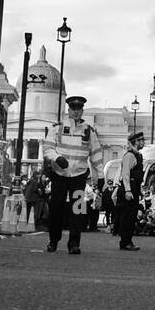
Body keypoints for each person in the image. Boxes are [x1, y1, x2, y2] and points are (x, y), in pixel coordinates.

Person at [40, 96, 104, 255]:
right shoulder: (57, 128)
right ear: (68, 110)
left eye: (78, 109)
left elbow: (95, 154)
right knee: (56, 209)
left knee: (78, 210)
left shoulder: (89, 131)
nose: (75, 112)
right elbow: (47, 148)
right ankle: (53, 241)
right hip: (60, 176)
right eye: (73, 109)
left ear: (82, 111)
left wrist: (101, 174)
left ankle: (74, 244)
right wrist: (57, 158)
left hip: (78, 176)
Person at [116, 130, 145, 251]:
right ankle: (125, 241)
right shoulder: (130, 155)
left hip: (134, 187)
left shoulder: (136, 155)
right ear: (136, 142)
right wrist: (128, 190)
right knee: (128, 216)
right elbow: (126, 174)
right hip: (130, 187)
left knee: (131, 216)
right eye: (142, 140)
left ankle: (127, 240)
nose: (143, 142)